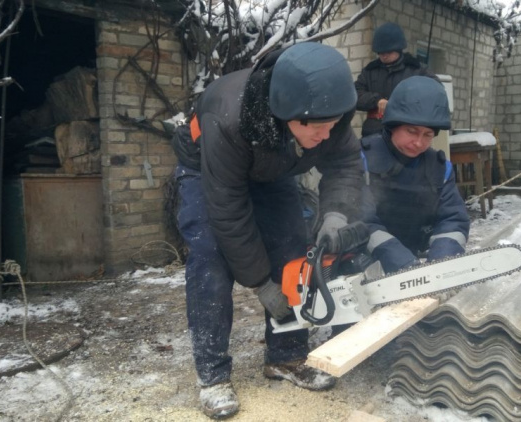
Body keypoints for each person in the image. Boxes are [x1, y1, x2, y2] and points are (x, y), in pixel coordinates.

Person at [171, 42, 363, 419]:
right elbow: (228, 212)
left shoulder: (328, 116)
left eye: (333, 125)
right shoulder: (229, 118)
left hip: (271, 167)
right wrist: (260, 283)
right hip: (207, 167)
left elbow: (346, 165)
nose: (327, 134)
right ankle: (212, 375)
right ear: (287, 112)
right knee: (211, 257)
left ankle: (286, 356)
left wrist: (337, 214)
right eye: (319, 128)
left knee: (292, 246)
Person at [361, 76, 470, 274]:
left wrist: (441, 262)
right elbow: (361, 220)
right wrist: (399, 262)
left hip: (416, 262)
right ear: (393, 125)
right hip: (366, 265)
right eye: (411, 131)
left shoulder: (440, 168)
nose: (419, 143)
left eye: (428, 135)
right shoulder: (363, 159)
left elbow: (453, 219)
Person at [355, 22, 437, 138]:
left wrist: (401, 102)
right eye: (380, 52)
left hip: (407, 131)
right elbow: (355, 94)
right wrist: (376, 100)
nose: (384, 56)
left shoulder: (417, 70)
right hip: (374, 132)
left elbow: (435, 91)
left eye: (388, 52)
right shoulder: (370, 71)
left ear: (398, 49)